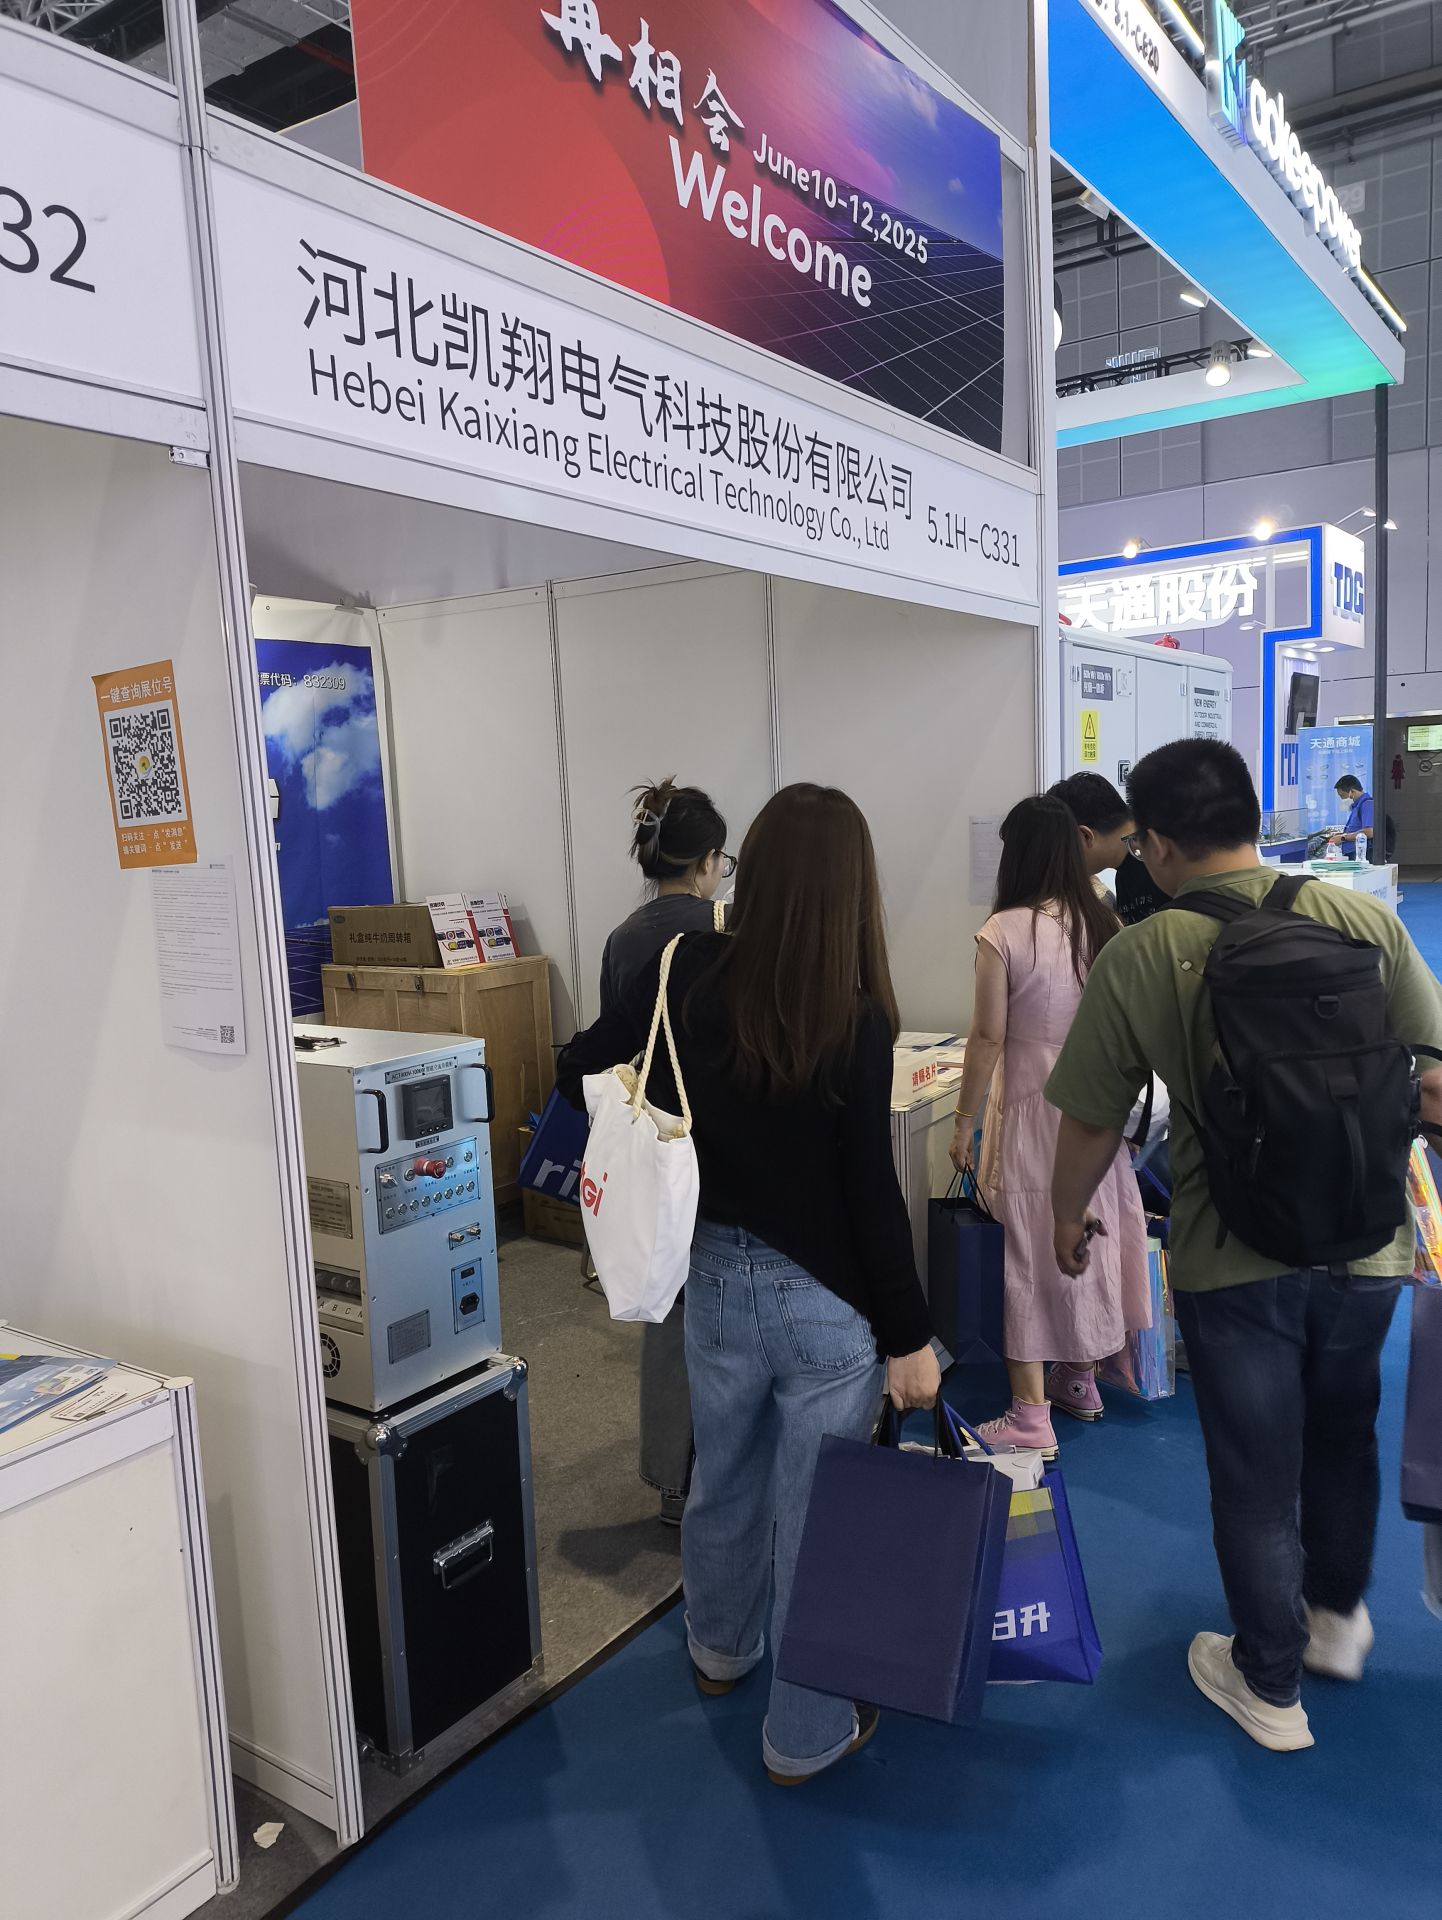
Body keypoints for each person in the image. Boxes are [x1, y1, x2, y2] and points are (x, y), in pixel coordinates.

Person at [1046, 739, 1442, 1753]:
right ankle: (1334, 1623)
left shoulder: (1141, 952)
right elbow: (1434, 1072)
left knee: (1255, 1469)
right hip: (1366, 1245)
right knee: (1342, 1435)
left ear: (1157, 844)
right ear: (1253, 817)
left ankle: (1267, 1683)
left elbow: (1091, 1118)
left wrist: (1065, 1217)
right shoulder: (1361, 920)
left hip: (1233, 1257)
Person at [557, 784, 939, 1785]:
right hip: (824, 1301)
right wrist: (910, 1336)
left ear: (750, 868)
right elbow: (869, 1191)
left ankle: (720, 1652)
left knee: (721, 1477)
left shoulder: (683, 968)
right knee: (819, 1519)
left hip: (712, 1279)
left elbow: (577, 1066)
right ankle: (804, 1736)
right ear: (852, 889)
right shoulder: (854, 1011)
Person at [948, 795, 1151, 1453]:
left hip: (1033, 1108)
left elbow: (987, 1036)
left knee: (1028, 1252)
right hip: (1097, 1106)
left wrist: (963, 1121)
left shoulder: (1003, 931)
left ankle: (1029, 1416)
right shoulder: (1104, 923)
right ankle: (1080, 1378)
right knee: (1089, 1233)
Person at [598, 779, 734, 1527]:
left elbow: (615, 1049)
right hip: (717, 1150)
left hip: (653, 1150)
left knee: (669, 1311)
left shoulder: (623, 938)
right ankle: (723, 1476)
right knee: (726, 1316)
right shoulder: (724, 928)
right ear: (708, 860)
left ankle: (672, 1484)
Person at [1048, 772, 1135, 907]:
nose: (1063, 863)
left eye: (1063, 849)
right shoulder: (1125, 868)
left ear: (1085, 836)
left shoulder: (1155, 864)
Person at [1330, 773, 1396, 862]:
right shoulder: (1357, 807)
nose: (1341, 800)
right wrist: (1341, 835)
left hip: (1364, 855)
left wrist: (1343, 838)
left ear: (1352, 791)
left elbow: (1369, 832)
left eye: (1342, 796)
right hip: (1354, 854)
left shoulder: (1367, 805)